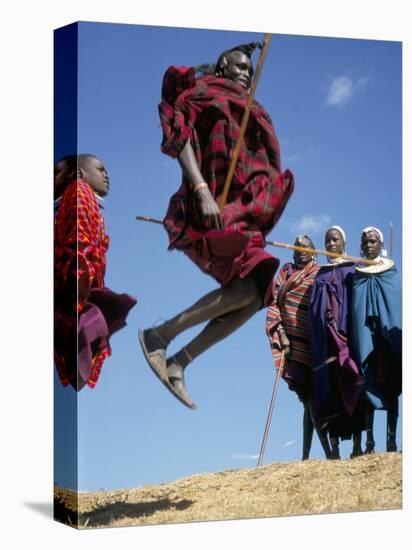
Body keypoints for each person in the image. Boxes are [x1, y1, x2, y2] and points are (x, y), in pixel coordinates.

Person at [139, 42, 294, 409]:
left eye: (250, 71)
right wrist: (201, 187)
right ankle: (160, 336)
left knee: (256, 295)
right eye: (239, 66)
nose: (245, 73)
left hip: (238, 212)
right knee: (254, 282)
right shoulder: (203, 94)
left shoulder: (250, 109)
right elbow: (180, 138)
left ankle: (177, 360)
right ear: (223, 65)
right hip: (207, 205)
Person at [54, 154, 137, 390]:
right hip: (76, 295)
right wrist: (80, 307)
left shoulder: (79, 198)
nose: (106, 175)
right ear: (80, 174)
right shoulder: (81, 193)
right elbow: (79, 248)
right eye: (100, 169)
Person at [266, 235, 332, 460]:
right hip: (292, 346)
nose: (301, 250)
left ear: (314, 251)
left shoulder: (320, 273)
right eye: (297, 247)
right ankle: (326, 452)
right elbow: (274, 305)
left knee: (311, 401)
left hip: (315, 343)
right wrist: (282, 335)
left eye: (305, 247)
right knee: (307, 398)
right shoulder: (285, 273)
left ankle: (307, 455)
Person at [309, 226, 365, 458]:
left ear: (344, 244)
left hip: (348, 339)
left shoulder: (353, 269)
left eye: (335, 240)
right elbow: (313, 309)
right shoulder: (319, 274)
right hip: (325, 343)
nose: (331, 244)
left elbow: (358, 303)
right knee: (328, 389)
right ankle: (334, 449)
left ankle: (358, 445)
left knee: (355, 383)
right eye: (327, 241)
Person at [351, 227, 402, 453]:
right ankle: (369, 441)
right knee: (367, 386)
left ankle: (391, 440)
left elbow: (396, 303)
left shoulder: (391, 272)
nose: (368, 245)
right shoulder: (357, 274)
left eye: (372, 242)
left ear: (379, 244)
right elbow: (355, 307)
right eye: (364, 242)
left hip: (387, 341)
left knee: (391, 387)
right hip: (367, 339)